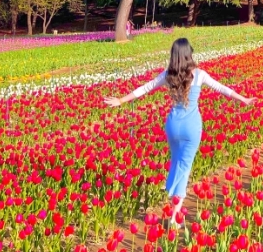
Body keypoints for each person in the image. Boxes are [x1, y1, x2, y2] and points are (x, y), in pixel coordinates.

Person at [104, 37, 255, 228]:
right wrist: (244, 99)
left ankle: (172, 201)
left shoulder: (168, 75)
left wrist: (121, 100)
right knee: (184, 168)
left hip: (173, 126)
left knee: (176, 164)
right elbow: (222, 89)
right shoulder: (199, 75)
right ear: (188, 54)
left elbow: (146, 88)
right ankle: (175, 216)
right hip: (191, 127)